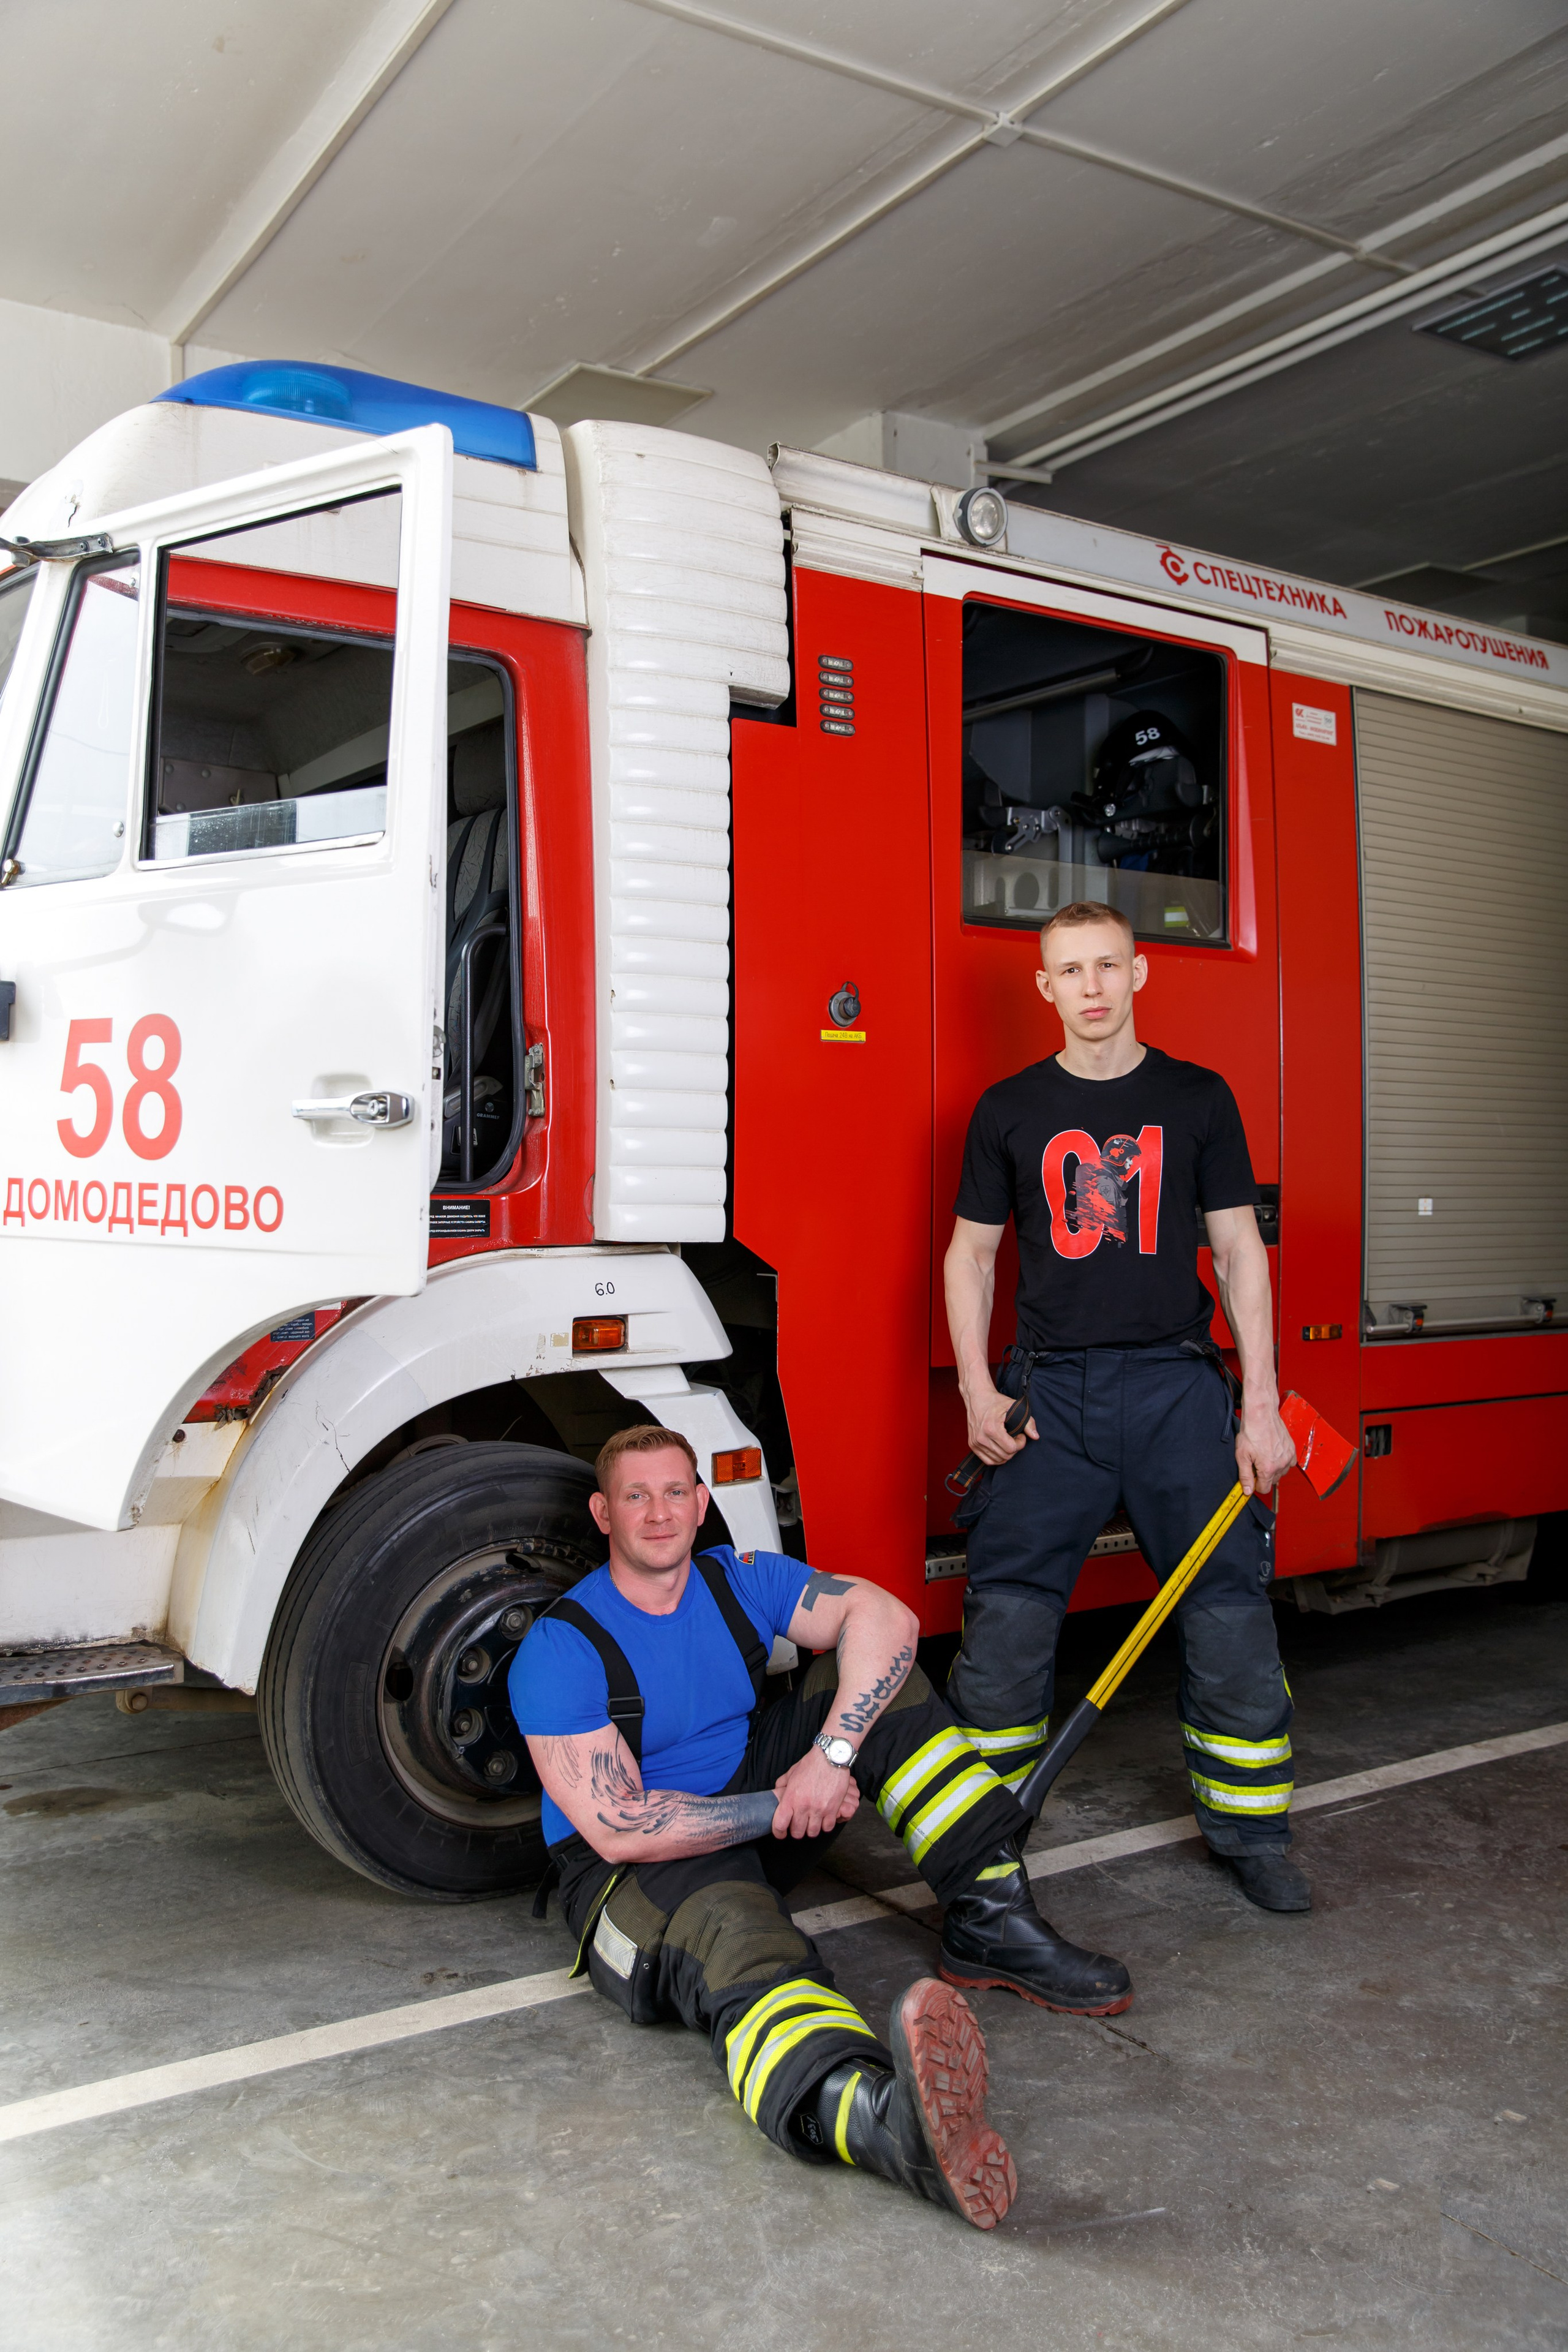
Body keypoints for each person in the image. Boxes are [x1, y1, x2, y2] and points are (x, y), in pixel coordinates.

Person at [508, 1423, 1133, 2231]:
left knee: (878, 1689)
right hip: (632, 1882)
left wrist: (831, 1757)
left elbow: (890, 1621)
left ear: (702, 1503)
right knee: (734, 1926)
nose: (659, 1513)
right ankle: (877, 2117)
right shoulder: (562, 1648)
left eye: (675, 1492)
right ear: (604, 1513)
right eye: (636, 1496)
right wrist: (783, 1804)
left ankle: (992, 1919)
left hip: (751, 1816)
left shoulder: (737, 1578)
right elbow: (622, 1827)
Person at [944, 901, 1306, 1913]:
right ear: (1044, 987)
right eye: (1072, 971)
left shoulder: (1198, 1099)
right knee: (1009, 1619)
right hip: (1046, 1391)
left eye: (1109, 966)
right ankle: (979, 1851)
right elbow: (970, 1255)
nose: (1092, 988)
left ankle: (1252, 1835)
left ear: (1141, 975)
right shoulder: (1007, 1109)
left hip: (1175, 1386)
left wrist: (1261, 1406)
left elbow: (1239, 1249)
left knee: (1230, 1612)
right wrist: (979, 1389)